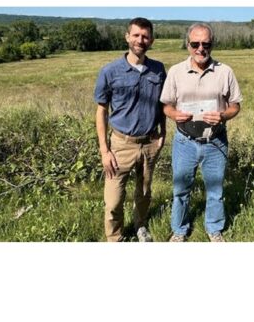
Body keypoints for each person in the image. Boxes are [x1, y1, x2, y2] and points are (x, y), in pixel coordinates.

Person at [161, 22, 242, 242]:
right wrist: (173, 114)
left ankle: (214, 229)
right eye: (195, 43)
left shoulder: (225, 71)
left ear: (212, 44)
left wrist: (223, 115)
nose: (200, 48)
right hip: (184, 141)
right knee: (180, 189)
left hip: (215, 141)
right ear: (187, 44)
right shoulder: (176, 71)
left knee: (215, 190)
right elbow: (166, 104)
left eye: (205, 44)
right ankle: (179, 230)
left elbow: (235, 104)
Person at [94, 17, 166, 242]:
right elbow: (101, 111)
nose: (140, 40)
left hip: (149, 142)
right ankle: (115, 237)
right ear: (127, 37)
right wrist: (104, 150)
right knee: (114, 199)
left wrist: (163, 132)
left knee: (143, 192)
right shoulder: (110, 71)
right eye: (136, 35)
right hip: (121, 144)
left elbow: (163, 104)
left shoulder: (158, 69)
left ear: (151, 40)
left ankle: (140, 225)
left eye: (145, 36)